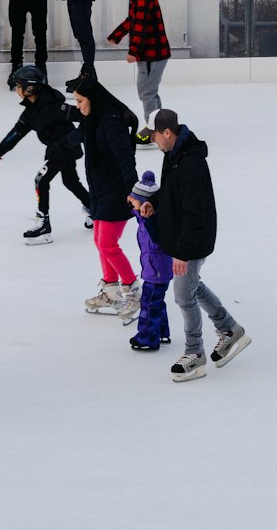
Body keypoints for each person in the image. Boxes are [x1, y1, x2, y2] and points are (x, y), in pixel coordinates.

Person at [138, 110, 250, 382]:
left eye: (154, 134)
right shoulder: (173, 155)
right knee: (192, 284)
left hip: (192, 239)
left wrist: (183, 252)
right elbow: (173, 192)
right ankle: (229, 329)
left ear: (167, 132)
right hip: (182, 238)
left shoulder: (191, 164)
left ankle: (195, 353)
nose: (152, 139)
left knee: (183, 295)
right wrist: (157, 203)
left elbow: (194, 211)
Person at [0, 65, 92, 244]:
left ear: (29, 88)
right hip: (58, 149)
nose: (17, 90)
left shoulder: (53, 106)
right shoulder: (31, 110)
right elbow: (18, 131)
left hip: (65, 148)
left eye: (18, 86)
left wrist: (87, 134)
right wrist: (1, 150)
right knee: (70, 181)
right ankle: (94, 210)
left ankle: (43, 224)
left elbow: (83, 114)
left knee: (41, 180)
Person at [70, 77, 142, 323]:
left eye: (80, 101)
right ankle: (111, 291)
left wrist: (133, 190)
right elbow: (76, 137)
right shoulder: (92, 118)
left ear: (93, 99)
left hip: (117, 191)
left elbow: (125, 156)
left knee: (108, 243)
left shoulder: (112, 121)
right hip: (99, 190)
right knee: (100, 242)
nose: (78, 105)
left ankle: (132, 290)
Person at [107, 0, 171, 145]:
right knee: (150, 91)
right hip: (153, 52)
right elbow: (134, 20)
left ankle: (154, 132)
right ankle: (159, 126)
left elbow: (141, 25)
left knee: (147, 92)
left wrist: (133, 51)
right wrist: (117, 35)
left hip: (152, 53)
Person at [127, 170, 172, 351]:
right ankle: (161, 332)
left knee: (149, 304)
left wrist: (150, 218)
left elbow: (158, 238)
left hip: (157, 270)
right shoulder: (145, 218)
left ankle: (148, 337)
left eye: (134, 199)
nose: (130, 201)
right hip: (154, 269)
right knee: (157, 302)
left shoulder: (154, 220)